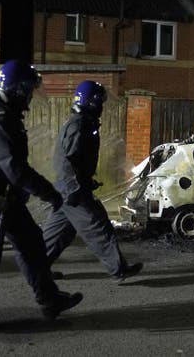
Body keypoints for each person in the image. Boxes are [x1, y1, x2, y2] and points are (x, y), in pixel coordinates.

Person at [0, 60, 82, 334]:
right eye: (28, 89)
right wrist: (49, 193)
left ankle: (50, 300)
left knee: (33, 247)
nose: (31, 95)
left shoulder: (1, 115)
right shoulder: (1, 120)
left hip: (7, 202)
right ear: (17, 88)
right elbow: (15, 169)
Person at [43, 80, 143, 282]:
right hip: (72, 192)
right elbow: (66, 161)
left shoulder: (83, 123)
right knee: (98, 226)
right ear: (92, 102)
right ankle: (118, 270)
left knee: (59, 233)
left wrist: (85, 182)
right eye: (100, 103)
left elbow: (76, 161)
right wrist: (75, 188)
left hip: (69, 190)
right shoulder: (79, 125)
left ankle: (37, 268)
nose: (102, 107)